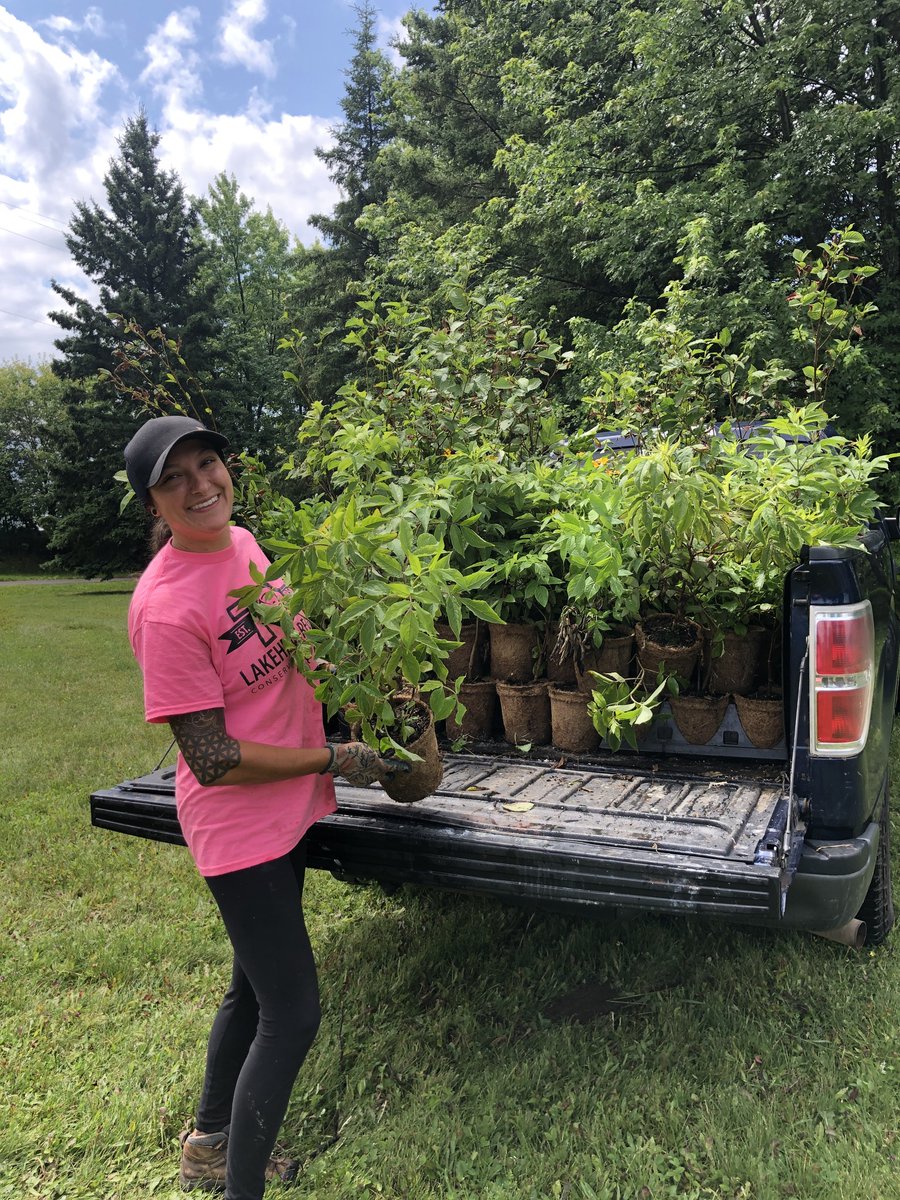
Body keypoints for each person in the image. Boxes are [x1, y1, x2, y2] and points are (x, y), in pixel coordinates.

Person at [123, 415, 406, 1199]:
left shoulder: (243, 545)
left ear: (226, 468)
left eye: (206, 464)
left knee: (251, 989)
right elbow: (212, 760)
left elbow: (293, 643)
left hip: (287, 807)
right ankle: (239, 1189)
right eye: (174, 479)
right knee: (294, 1012)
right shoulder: (165, 607)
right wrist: (336, 758)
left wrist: (364, 676)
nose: (199, 485)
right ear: (154, 503)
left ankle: (208, 1147)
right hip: (240, 829)